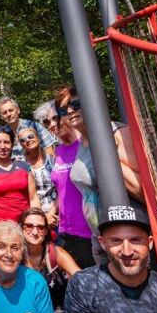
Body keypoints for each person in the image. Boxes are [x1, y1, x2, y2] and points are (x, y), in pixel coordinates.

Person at [54, 86, 144, 266]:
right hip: (99, 238)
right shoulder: (82, 142)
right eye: (63, 110)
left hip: (126, 240)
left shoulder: (115, 132)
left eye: (76, 104)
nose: (70, 111)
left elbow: (143, 191)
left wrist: (104, 151)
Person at [19, 207, 79, 313]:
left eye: (40, 227)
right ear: (21, 228)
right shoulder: (13, 255)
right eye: (29, 226)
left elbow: (81, 278)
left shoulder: (54, 253)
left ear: (46, 231)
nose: (35, 232)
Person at [51, 95, 98, 269]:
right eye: (46, 123)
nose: (52, 124)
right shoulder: (58, 152)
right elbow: (61, 188)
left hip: (88, 228)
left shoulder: (86, 143)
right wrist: (52, 211)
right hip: (64, 230)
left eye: (55, 118)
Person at [16, 126, 57, 227]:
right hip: (32, 219)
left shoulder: (53, 161)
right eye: (23, 140)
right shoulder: (19, 165)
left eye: (30, 136)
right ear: (20, 145)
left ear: (38, 137)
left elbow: (62, 190)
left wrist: (51, 214)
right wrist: (41, 218)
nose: (28, 140)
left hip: (56, 215)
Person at [0, 95, 56, 161]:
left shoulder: (34, 126)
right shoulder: (3, 134)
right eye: (4, 113)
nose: (8, 114)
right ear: (1, 116)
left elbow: (49, 151)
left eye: (11, 110)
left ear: (18, 110)